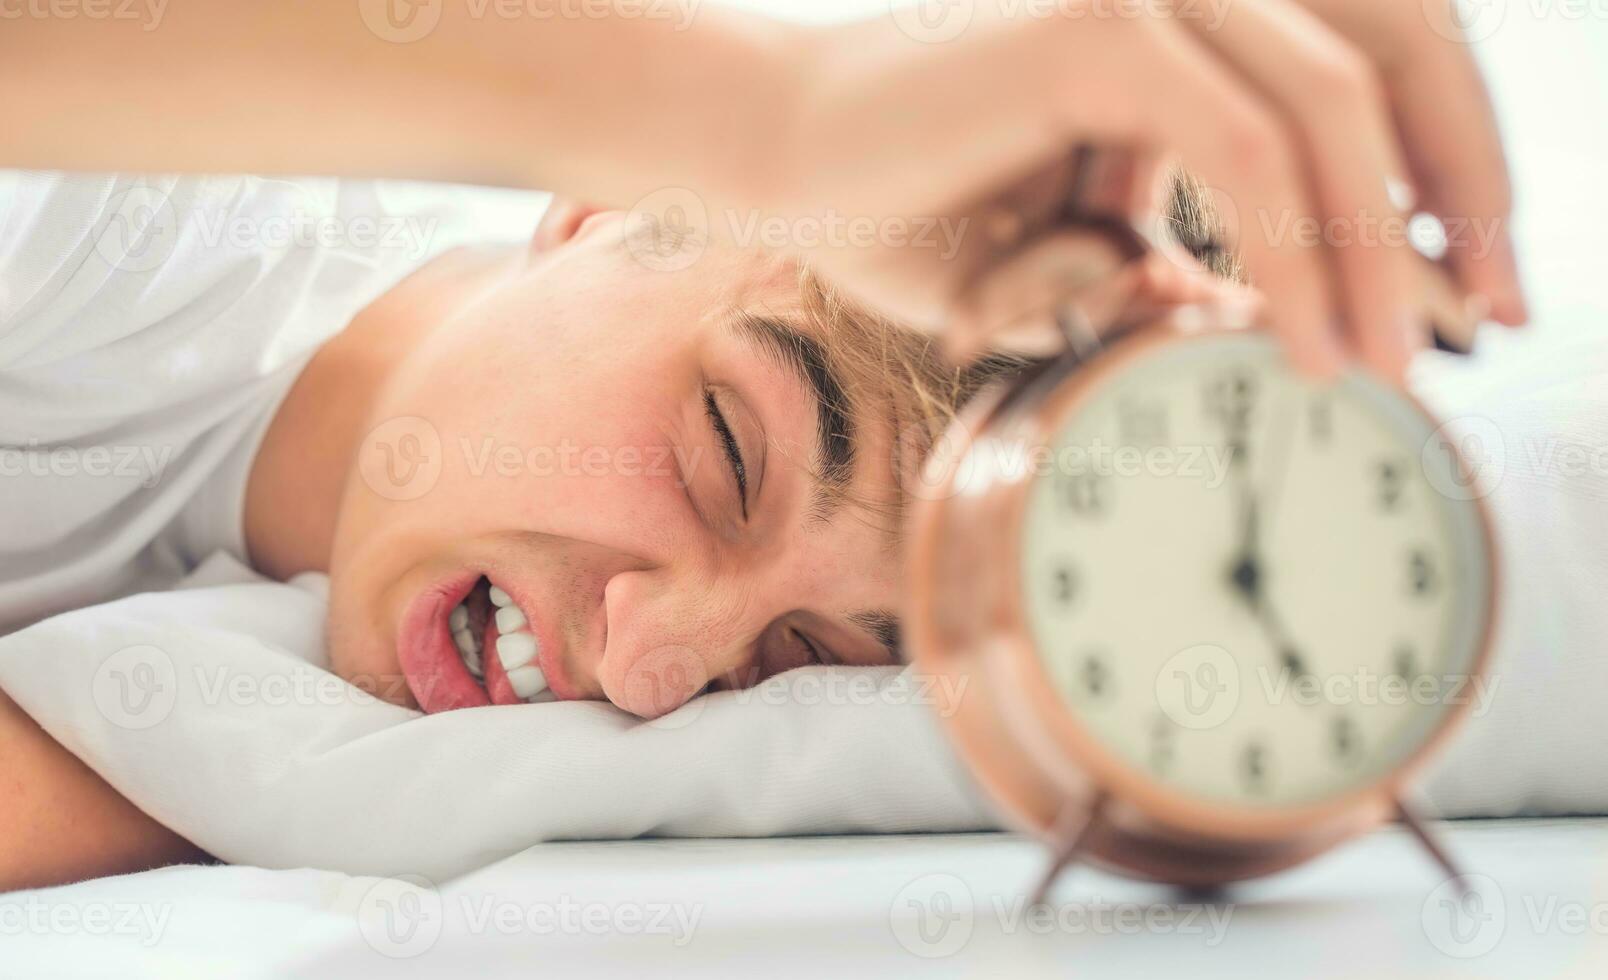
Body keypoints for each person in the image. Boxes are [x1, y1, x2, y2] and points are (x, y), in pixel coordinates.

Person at [0, 0, 1520, 888]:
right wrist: (780, 119)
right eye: (727, 450)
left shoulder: (260, 645)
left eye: (794, 655)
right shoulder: (119, 224)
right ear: (605, 205)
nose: (653, 667)